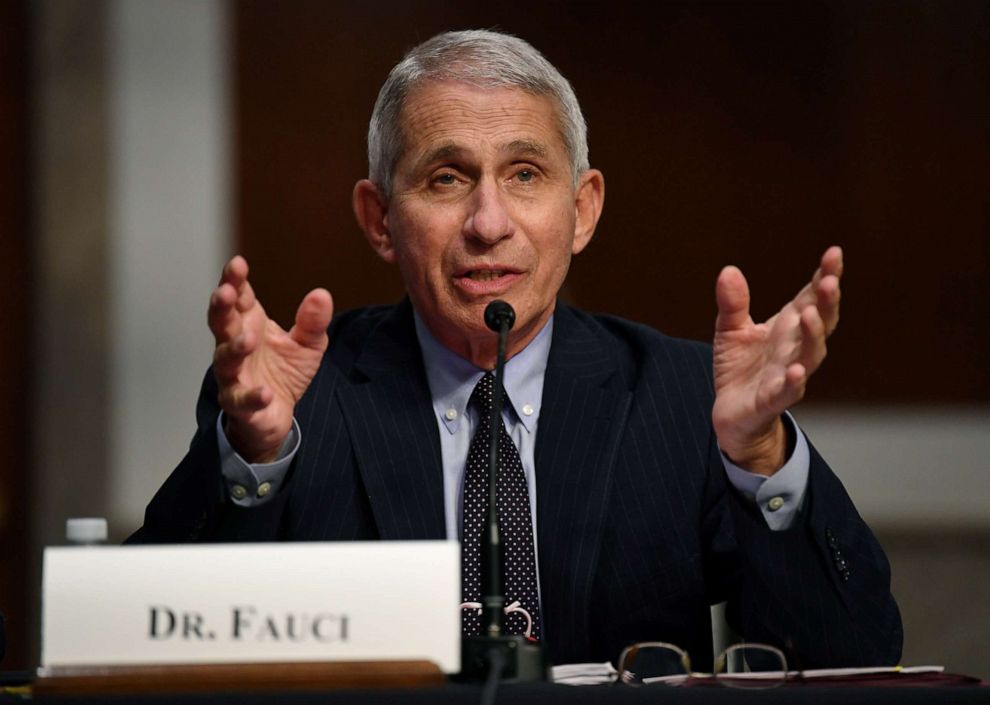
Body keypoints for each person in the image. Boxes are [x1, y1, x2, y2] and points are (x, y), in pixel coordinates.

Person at [129, 29, 902, 669]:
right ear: (379, 219)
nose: (488, 221)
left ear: (582, 210)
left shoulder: (681, 397)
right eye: (447, 178)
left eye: (524, 174)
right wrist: (251, 463)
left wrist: (762, 454)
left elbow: (856, 655)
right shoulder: (299, 401)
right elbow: (132, 642)